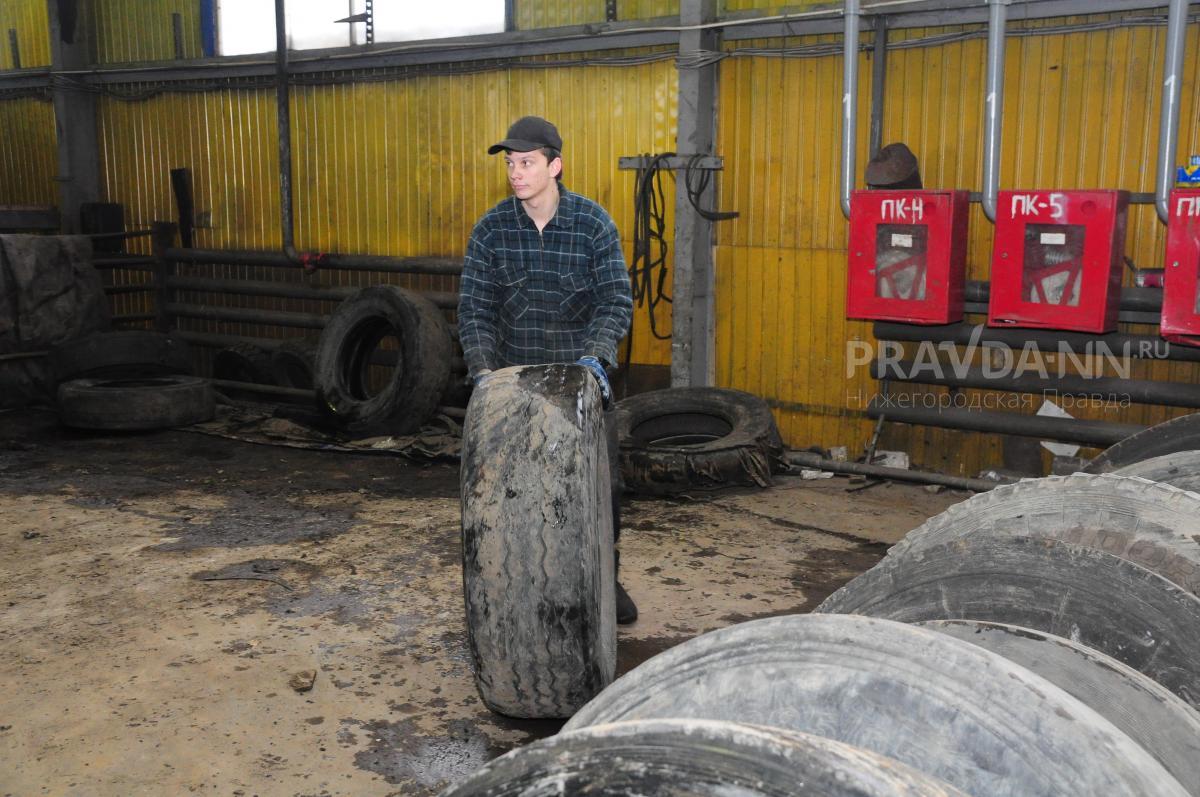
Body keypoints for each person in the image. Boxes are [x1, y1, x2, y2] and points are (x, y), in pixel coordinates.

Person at [458, 115, 638, 624]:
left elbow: (614, 300)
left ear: (555, 166)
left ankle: (607, 576)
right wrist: (484, 374)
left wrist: (595, 360)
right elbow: (475, 310)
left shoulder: (592, 224)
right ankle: (518, 586)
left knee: (604, 488)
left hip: (580, 383)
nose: (516, 173)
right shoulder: (492, 230)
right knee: (511, 492)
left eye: (527, 163)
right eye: (511, 163)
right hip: (513, 388)